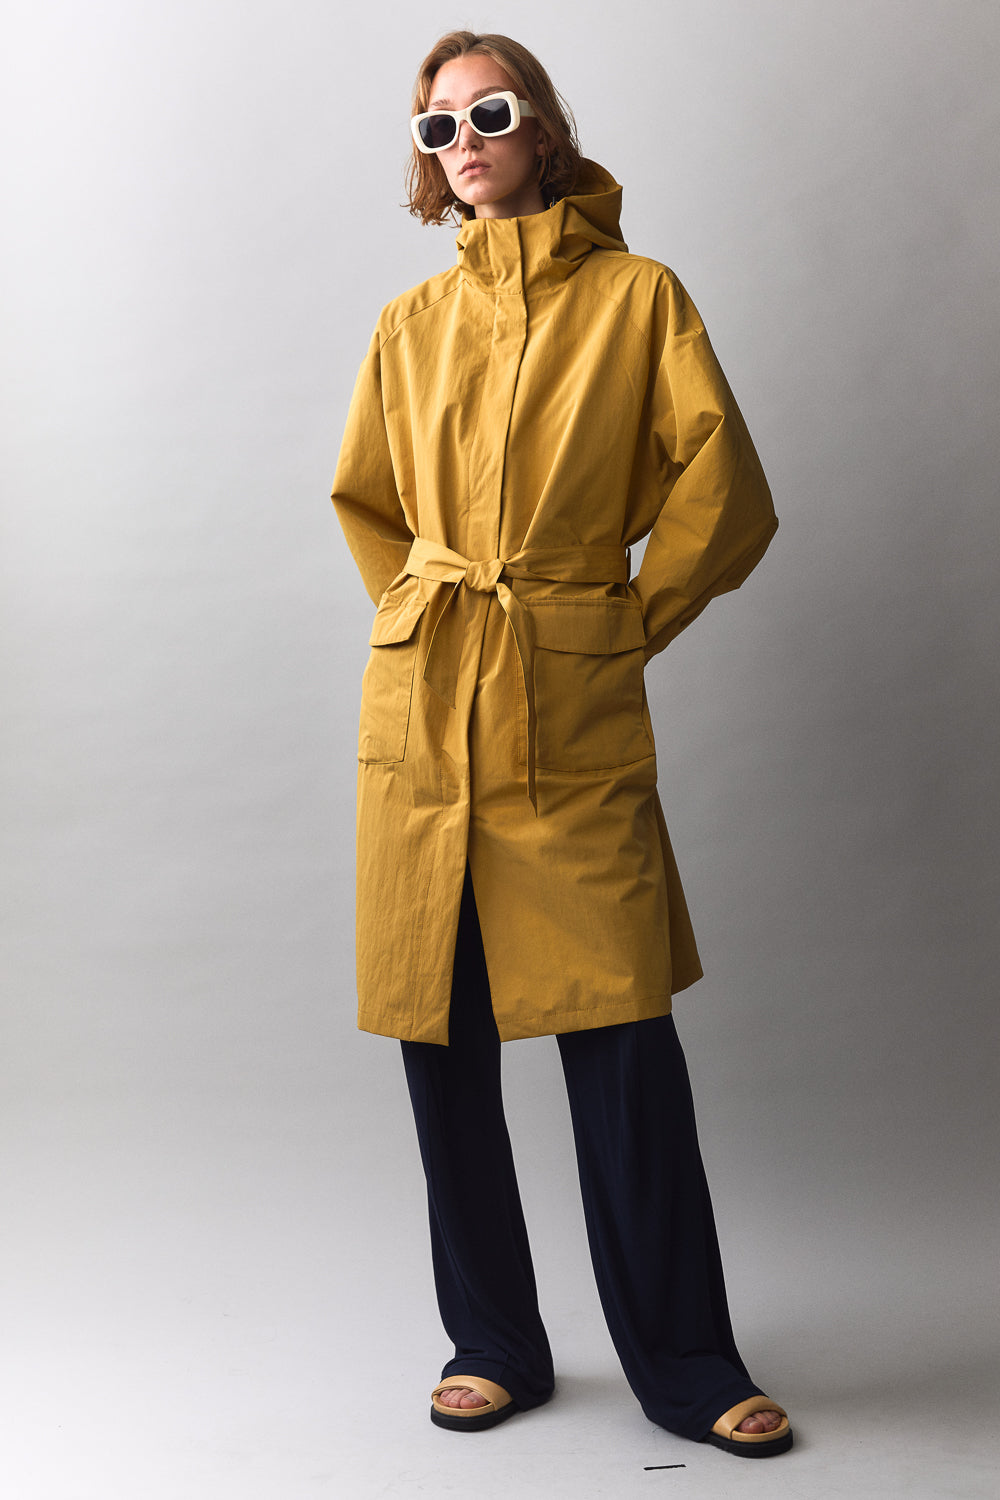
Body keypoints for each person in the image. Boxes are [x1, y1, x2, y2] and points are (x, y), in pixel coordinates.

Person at [331, 30, 792, 1459]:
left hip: (566, 700)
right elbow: (370, 504)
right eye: (436, 127)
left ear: (541, 125)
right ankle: (493, 1343)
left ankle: (687, 1360)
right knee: (444, 1038)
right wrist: (426, 629)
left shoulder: (641, 299)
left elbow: (727, 488)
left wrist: (617, 623)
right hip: (429, 710)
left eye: (488, 112)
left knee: (621, 1037)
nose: (462, 141)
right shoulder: (410, 324)